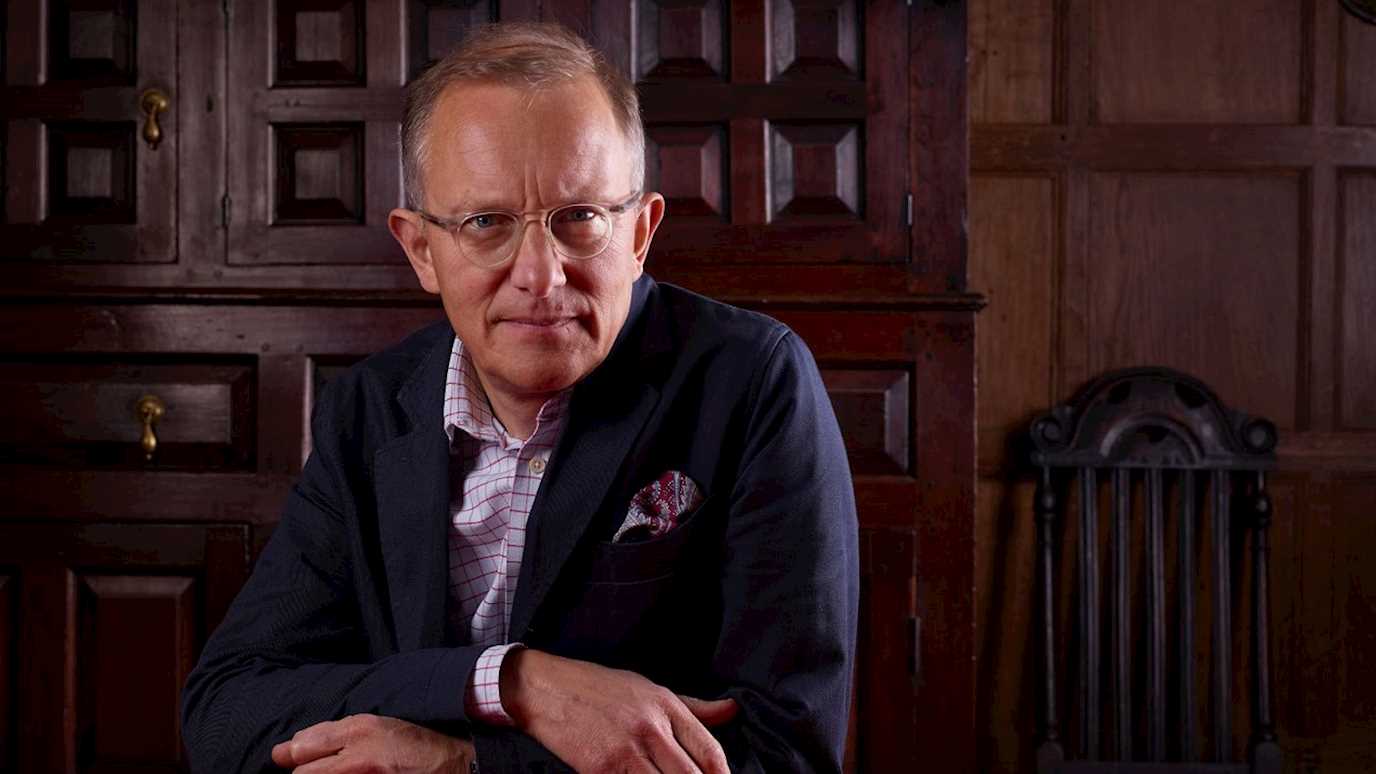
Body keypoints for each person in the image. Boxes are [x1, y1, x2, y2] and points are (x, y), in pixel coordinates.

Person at [181, 22, 858, 774]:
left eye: (581, 218)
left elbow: (784, 755)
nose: (540, 274)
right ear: (421, 250)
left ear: (640, 234)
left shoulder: (755, 382)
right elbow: (226, 712)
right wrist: (510, 682)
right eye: (485, 223)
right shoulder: (368, 410)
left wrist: (460, 762)